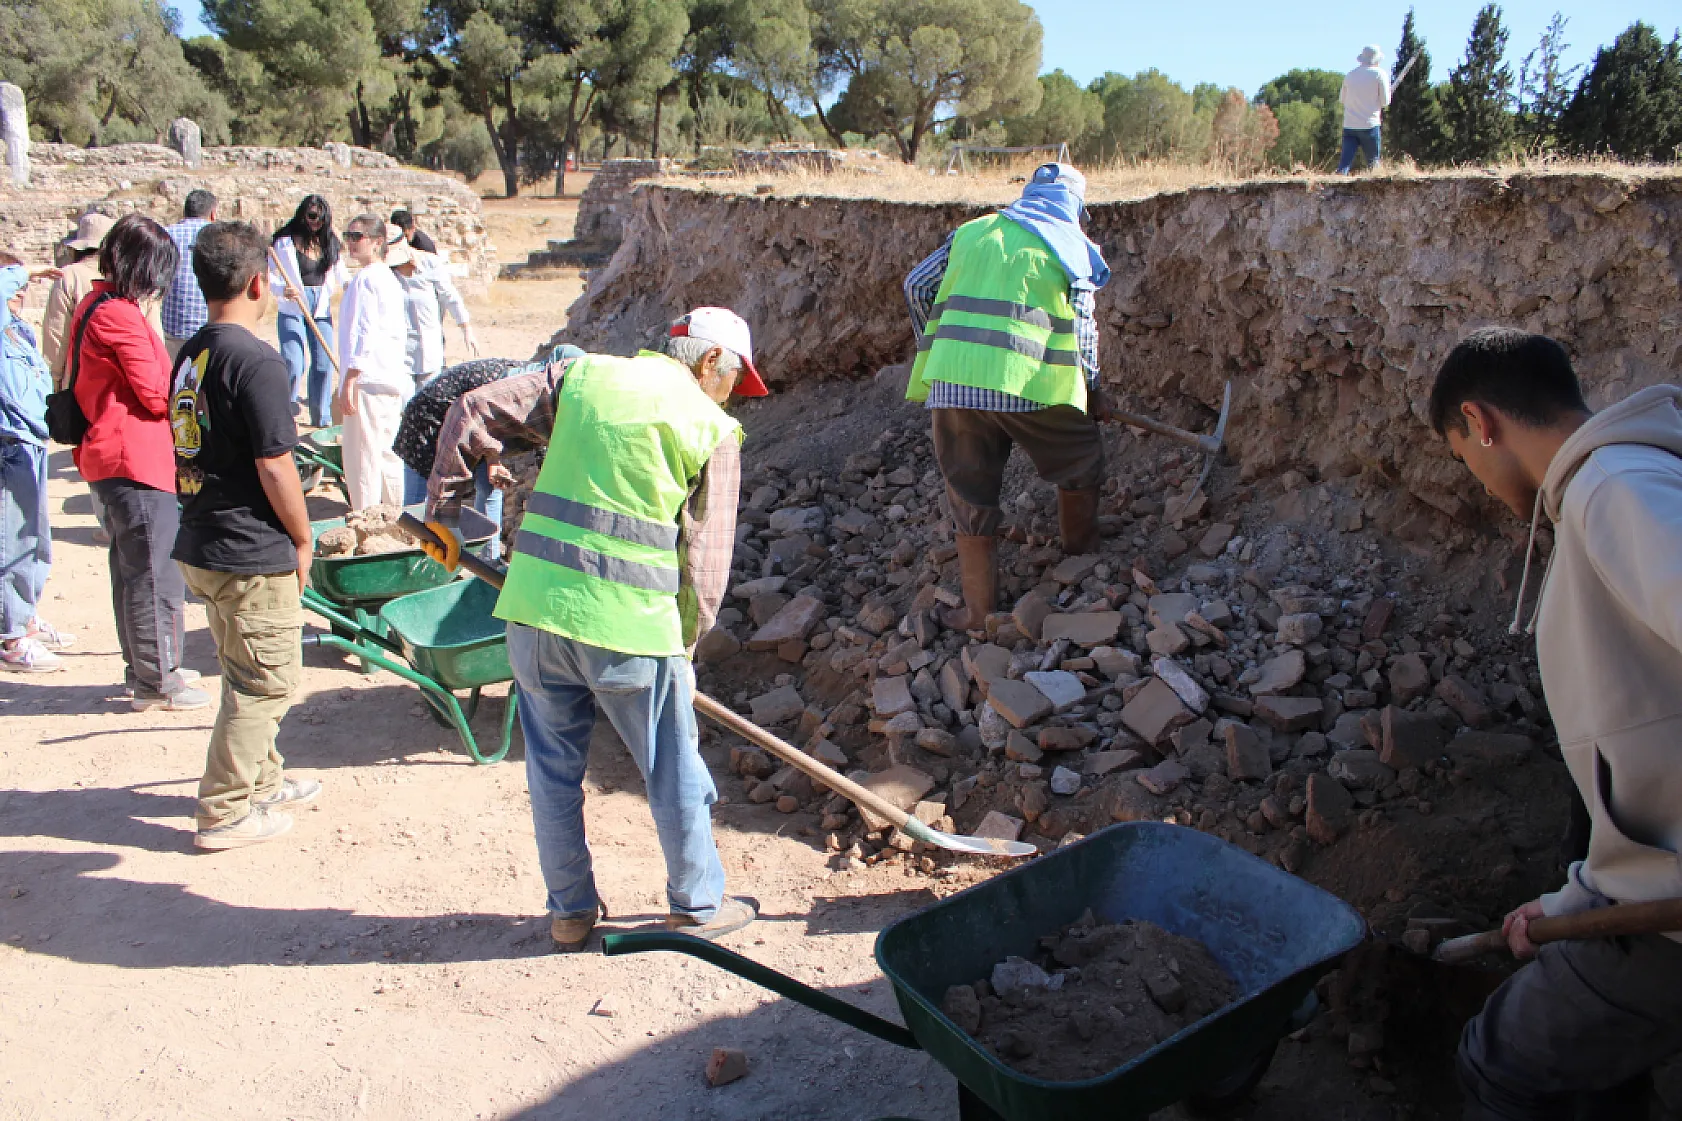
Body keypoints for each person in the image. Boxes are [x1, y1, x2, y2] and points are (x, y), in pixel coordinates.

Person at [420, 309, 769, 952]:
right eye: (732, 379)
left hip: (531, 613)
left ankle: (569, 913)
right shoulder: (712, 427)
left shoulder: (583, 376)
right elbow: (707, 563)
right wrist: (685, 646)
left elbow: (471, 406)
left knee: (552, 770)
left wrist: (442, 513)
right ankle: (696, 904)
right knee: (670, 767)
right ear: (709, 363)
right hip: (631, 629)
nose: (730, 394)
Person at [1428, 328, 1682, 1120]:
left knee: (1499, 1062)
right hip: (1647, 888)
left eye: (1463, 457)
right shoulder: (1621, 484)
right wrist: (1578, 898)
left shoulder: (1618, 490)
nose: (1475, 477)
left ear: (1481, 420)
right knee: (1598, 1075)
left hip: (1670, 922)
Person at [903, 161, 1111, 632]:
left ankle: (978, 613)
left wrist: (935, 343)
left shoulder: (974, 231)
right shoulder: (1071, 246)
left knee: (969, 492)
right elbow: (1083, 328)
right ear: (1075, 206)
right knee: (1080, 458)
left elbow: (916, 285)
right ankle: (1081, 558)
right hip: (1030, 382)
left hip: (954, 384)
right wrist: (1094, 389)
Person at [170, 221, 321, 849]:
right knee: (267, 682)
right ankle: (226, 810)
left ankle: (264, 781)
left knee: (243, 668)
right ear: (259, 282)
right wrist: (304, 537)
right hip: (247, 549)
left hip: (204, 538)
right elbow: (274, 463)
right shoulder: (257, 360)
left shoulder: (192, 353)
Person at [69, 214, 208, 711]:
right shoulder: (120, 315)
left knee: (132, 572)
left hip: (112, 460)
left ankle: (145, 669)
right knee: (155, 575)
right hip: (135, 461)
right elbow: (155, 393)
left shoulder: (95, 304)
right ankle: (159, 681)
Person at [391, 350, 581, 556]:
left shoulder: (548, 400)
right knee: (421, 504)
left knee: (490, 486)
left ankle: (489, 559)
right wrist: (491, 456)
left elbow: (541, 450)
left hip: (474, 423)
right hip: (431, 415)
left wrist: (493, 459)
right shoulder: (525, 387)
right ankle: (414, 564)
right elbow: (476, 410)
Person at [0, 255, 76, 672]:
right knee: (13, 543)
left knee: (35, 539)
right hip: (9, 442)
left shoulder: (15, 331)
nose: (20, 289)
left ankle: (23, 615)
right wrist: (24, 270)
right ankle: (12, 637)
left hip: (28, 439)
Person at [391, 236, 479, 496]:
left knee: (431, 425)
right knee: (407, 420)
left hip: (429, 352)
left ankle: (429, 488)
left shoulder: (429, 264)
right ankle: (405, 491)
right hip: (400, 356)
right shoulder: (385, 275)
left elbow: (450, 296)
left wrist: (466, 328)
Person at [335, 217, 411, 510]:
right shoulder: (388, 278)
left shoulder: (367, 278)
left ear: (377, 242)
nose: (351, 242)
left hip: (367, 379)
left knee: (362, 458)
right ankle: (397, 517)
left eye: (357, 236)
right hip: (388, 378)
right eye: (348, 235)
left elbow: (364, 331)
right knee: (386, 454)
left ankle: (365, 519)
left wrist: (351, 376)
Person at [270, 195, 349, 427]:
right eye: (312, 216)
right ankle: (287, 411)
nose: (316, 222)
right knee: (294, 361)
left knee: (324, 363)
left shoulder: (330, 243)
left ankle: (321, 416)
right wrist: (282, 289)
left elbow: (342, 275)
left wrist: (353, 289)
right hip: (293, 305)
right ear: (303, 214)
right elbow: (269, 276)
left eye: (321, 218)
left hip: (320, 307)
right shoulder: (284, 242)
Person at [160, 189, 217, 360]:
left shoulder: (165, 235)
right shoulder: (217, 236)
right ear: (213, 214)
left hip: (172, 328)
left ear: (184, 212)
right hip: (208, 327)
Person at [1338, 45, 1391, 175]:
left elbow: (1342, 100)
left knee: (1344, 164)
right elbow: (1385, 102)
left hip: (1350, 125)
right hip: (1370, 125)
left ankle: (1335, 185)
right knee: (1374, 165)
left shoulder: (1350, 75)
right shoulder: (1380, 74)